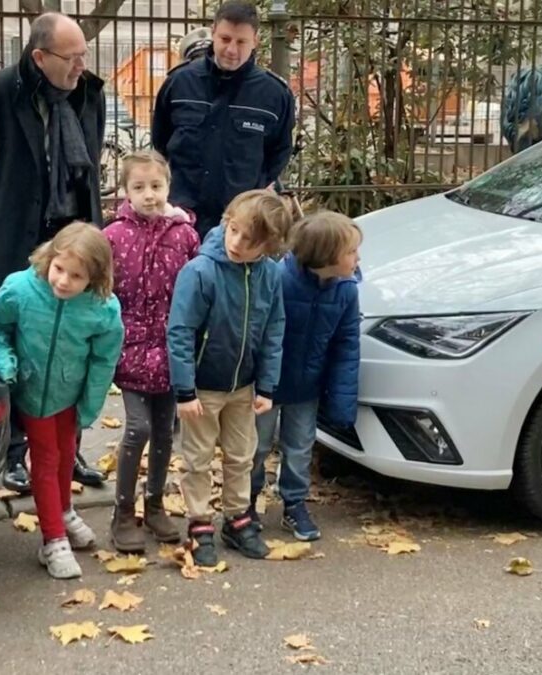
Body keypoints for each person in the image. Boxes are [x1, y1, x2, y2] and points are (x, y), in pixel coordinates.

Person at [0, 12, 107, 493]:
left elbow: (91, 165)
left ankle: (69, 448)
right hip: (16, 241)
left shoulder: (87, 93)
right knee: (21, 347)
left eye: (85, 54)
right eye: (72, 57)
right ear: (39, 57)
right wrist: (2, 217)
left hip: (73, 241)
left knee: (71, 347)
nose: (81, 65)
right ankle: (16, 451)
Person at [0, 222, 124, 579]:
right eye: (60, 269)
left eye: (76, 276)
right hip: (33, 390)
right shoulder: (21, 289)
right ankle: (53, 539)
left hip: (71, 396)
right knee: (45, 459)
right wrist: (2, 360)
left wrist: (90, 402)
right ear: (49, 257)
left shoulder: (102, 308)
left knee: (64, 456)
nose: (63, 281)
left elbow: (104, 357)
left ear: (94, 278)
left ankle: (63, 510)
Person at [167, 189, 293, 566]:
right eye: (233, 230)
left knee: (243, 455)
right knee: (198, 458)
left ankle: (238, 519)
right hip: (203, 387)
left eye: (250, 241)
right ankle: (200, 522)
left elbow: (274, 329)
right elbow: (180, 331)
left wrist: (268, 384)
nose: (237, 243)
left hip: (244, 386)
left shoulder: (270, 275)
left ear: (269, 247)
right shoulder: (200, 271)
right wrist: (184, 389)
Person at [103, 151, 200, 553]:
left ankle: (155, 503)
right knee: (138, 427)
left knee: (164, 431)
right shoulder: (113, 236)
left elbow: (196, 288)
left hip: (172, 348)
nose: (149, 195)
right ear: (125, 190)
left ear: (168, 187)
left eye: (156, 186)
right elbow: (101, 288)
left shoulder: (184, 235)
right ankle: (123, 511)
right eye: (139, 187)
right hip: (130, 348)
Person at [249, 211, 361, 541]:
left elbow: (347, 345)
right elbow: (257, 331)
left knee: (299, 447)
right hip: (265, 386)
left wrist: (341, 402)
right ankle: (245, 502)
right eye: (352, 252)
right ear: (326, 257)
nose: (358, 258)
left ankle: (294, 503)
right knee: (256, 446)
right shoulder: (277, 281)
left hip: (306, 387)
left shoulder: (346, 291)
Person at [152, 0, 296, 240]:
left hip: (241, 225)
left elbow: (278, 153)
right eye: (225, 39)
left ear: (256, 41)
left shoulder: (274, 94)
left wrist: (253, 190)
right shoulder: (179, 84)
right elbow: (161, 142)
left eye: (241, 42)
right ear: (213, 33)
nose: (232, 50)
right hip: (182, 219)